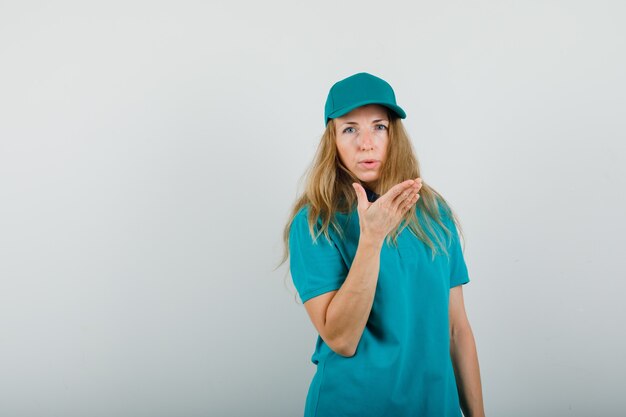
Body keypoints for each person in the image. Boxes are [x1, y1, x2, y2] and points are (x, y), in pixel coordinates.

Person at [281, 72, 485, 417]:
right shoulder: (315, 222)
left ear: (394, 134)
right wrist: (371, 238)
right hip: (353, 406)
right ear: (332, 139)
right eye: (350, 129)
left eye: (379, 127)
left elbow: (457, 330)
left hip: (435, 406)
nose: (366, 142)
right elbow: (341, 340)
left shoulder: (433, 212)